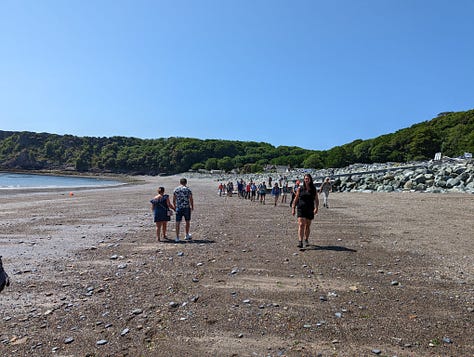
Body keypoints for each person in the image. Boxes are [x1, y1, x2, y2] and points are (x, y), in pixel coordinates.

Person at [292, 174, 319, 248]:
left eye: (308, 179)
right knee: (301, 224)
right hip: (301, 208)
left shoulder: (313, 189)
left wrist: (316, 208)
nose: (306, 180)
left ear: (310, 179)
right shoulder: (300, 188)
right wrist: (293, 208)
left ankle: (306, 239)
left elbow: (316, 199)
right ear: (304, 180)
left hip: (310, 209)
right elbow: (296, 199)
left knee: (307, 225)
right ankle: (300, 241)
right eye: (305, 179)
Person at [173, 178, 194, 242]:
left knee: (177, 222)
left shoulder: (176, 189)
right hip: (186, 207)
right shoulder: (188, 189)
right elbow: (191, 199)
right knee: (187, 221)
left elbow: (174, 200)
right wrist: (192, 206)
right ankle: (187, 234)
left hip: (179, 207)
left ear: (180, 182)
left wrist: (175, 207)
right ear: (186, 182)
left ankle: (177, 237)